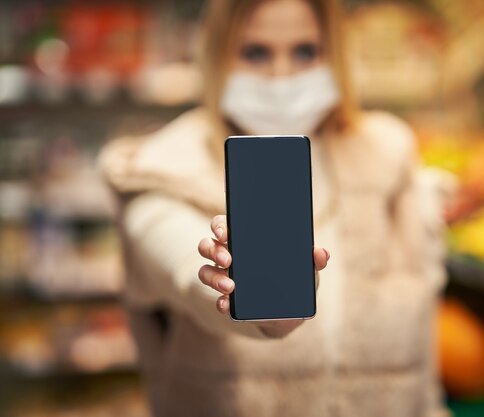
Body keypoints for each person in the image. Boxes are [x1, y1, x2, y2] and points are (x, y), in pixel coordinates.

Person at [99, 0, 451, 416]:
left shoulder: (388, 155)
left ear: (333, 53)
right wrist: (245, 298)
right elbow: (181, 269)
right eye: (255, 52)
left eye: (305, 51)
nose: (282, 75)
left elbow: (426, 342)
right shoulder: (163, 166)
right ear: (217, 55)